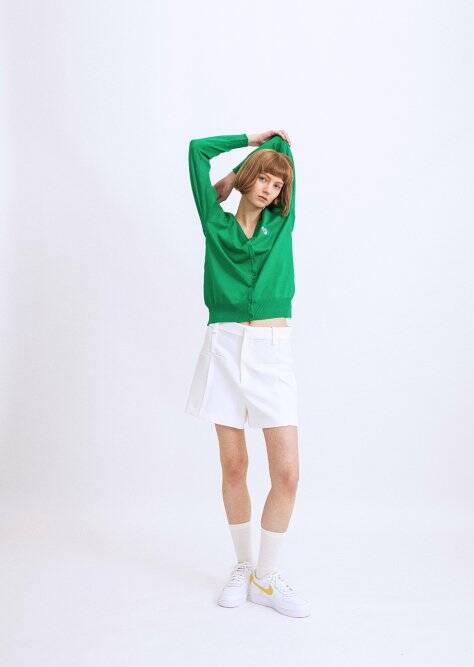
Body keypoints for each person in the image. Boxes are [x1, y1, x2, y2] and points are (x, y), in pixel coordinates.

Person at [184, 129, 310, 618]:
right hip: (223, 347)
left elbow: (284, 150)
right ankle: (242, 565)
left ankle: (266, 577)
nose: (270, 190)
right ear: (248, 178)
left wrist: (269, 150)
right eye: (263, 180)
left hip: (271, 352)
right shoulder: (214, 223)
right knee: (234, 467)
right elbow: (197, 151)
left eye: (277, 186)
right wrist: (248, 146)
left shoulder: (281, 225)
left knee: (287, 474)